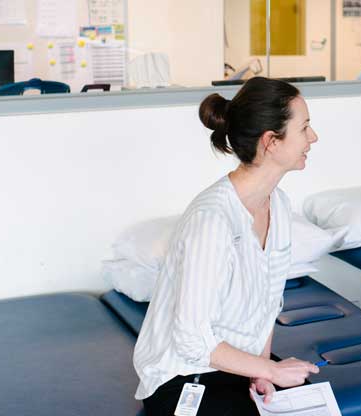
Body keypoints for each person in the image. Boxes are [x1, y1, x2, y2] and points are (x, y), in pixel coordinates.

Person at [133, 77, 320, 415]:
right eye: (304, 128)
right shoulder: (213, 220)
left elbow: (267, 302)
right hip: (184, 373)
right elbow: (190, 340)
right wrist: (271, 370)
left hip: (239, 363)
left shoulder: (277, 204)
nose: (313, 137)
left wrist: (260, 369)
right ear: (271, 142)